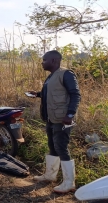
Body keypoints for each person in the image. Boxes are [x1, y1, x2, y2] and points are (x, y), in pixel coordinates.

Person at [27, 50, 80, 194]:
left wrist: (70, 114)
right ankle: (50, 175)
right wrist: (37, 94)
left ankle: (69, 182)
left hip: (62, 119)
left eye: (44, 60)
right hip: (51, 118)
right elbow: (51, 94)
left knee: (61, 147)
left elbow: (75, 95)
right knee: (52, 146)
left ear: (54, 60)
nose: (42, 62)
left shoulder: (66, 74)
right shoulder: (51, 77)